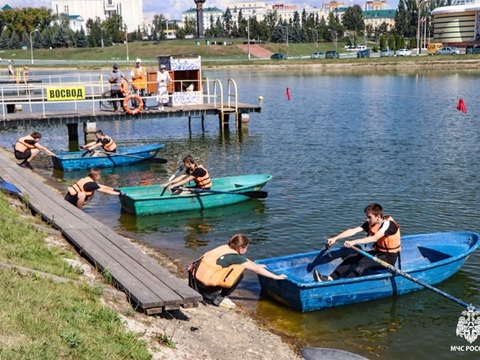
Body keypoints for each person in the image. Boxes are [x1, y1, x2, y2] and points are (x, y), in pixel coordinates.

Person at [188, 234, 287, 308]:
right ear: (242, 247)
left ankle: (207, 292)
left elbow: (244, 260)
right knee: (239, 273)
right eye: (246, 248)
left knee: (237, 267)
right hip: (203, 286)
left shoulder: (224, 248)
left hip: (194, 281)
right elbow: (255, 269)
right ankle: (220, 298)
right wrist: (275, 276)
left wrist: (255, 265)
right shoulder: (234, 257)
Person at [314, 203, 401, 282]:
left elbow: (374, 238)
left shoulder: (389, 225)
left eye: (369, 217)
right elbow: (353, 231)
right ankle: (329, 278)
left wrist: (353, 242)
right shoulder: (371, 223)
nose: (367, 219)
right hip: (378, 253)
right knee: (352, 257)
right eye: (367, 217)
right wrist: (335, 238)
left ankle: (344, 283)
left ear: (378, 216)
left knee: (364, 262)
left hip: (389, 257)